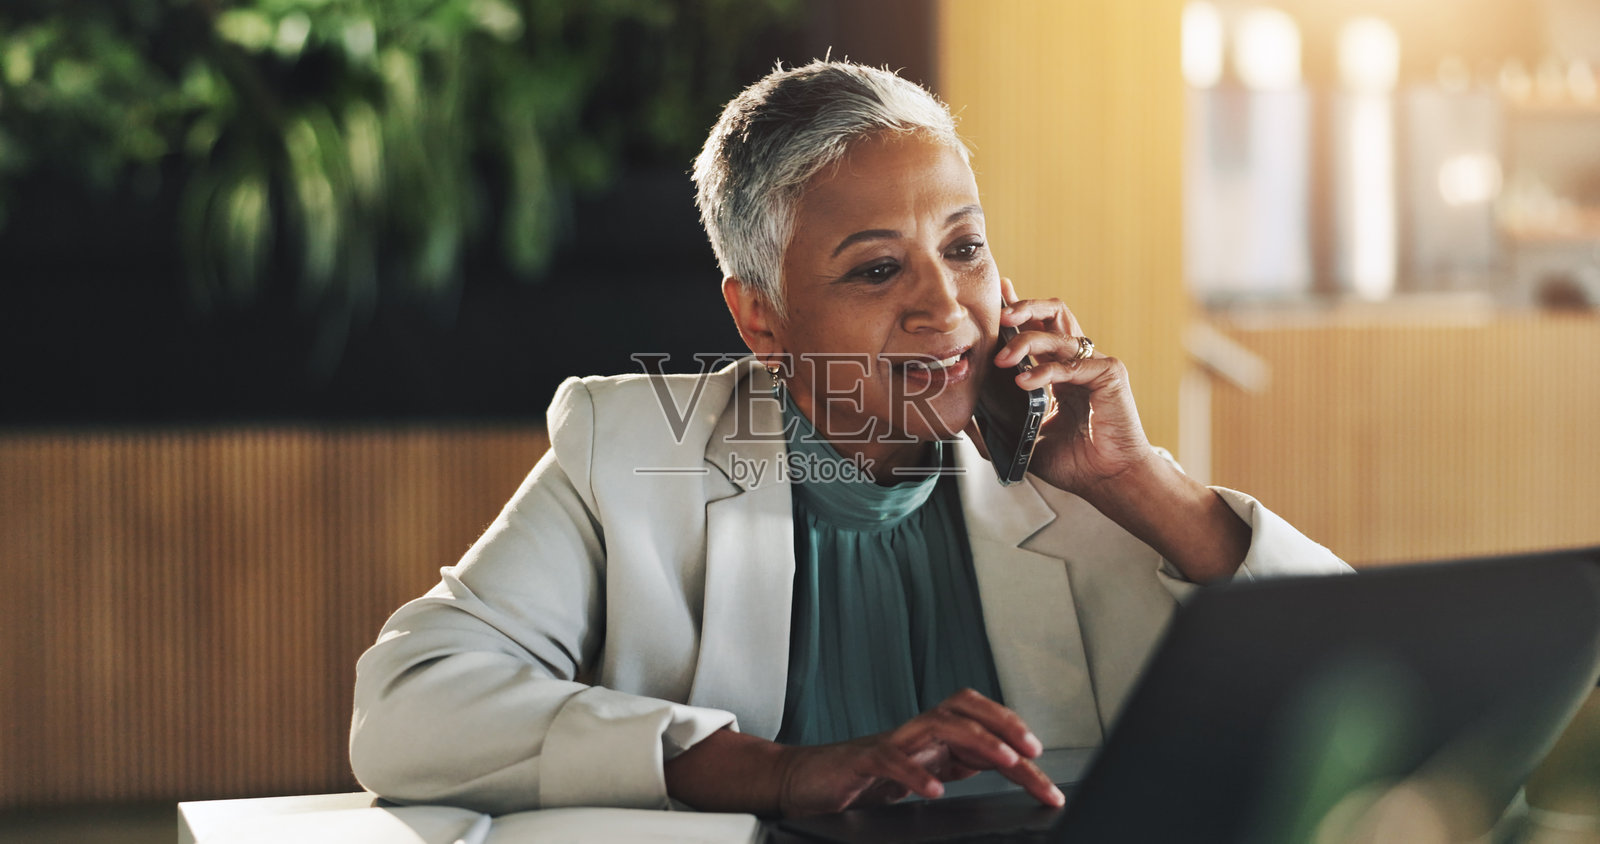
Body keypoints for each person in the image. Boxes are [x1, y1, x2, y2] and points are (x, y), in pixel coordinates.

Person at [348, 59, 1350, 818]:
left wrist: (1140, 482)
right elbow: (407, 704)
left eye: (962, 247)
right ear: (760, 320)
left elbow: (1364, 697)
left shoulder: (1074, 465)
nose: (943, 306)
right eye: (876, 271)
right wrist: (775, 770)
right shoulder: (630, 449)